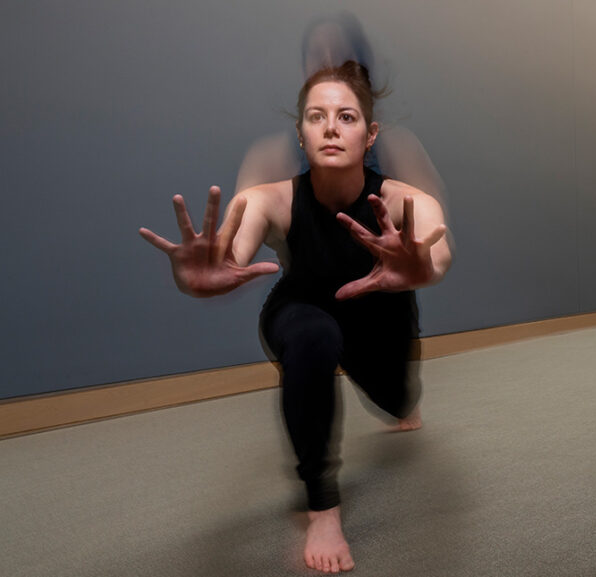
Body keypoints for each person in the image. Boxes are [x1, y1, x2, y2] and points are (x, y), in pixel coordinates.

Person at [139, 61, 452, 573]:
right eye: (316, 116)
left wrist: (426, 268)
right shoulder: (269, 199)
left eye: (347, 117)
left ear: (369, 134)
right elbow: (232, 251)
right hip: (301, 311)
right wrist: (199, 277)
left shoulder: (404, 200)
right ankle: (322, 508)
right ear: (302, 133)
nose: (331, 127)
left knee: (398, 398)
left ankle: (401, 401)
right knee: (312, 340)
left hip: (379, 317)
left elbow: (435, 250)